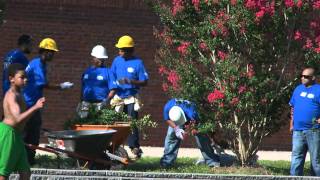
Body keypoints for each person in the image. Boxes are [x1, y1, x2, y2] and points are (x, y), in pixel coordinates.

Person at [23, 38, 73, 165]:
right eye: (51, 52)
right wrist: (61, 86)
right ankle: (27, 161)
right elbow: (43, 84)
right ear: (44, 52)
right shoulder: (38, 64)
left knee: (29, 134)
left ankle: (27, 160)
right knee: (31, 134)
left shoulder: (39, 63)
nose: (53, 54)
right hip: (30, 105)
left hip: (31, 104)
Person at [0, 63, 45, 180]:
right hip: (8, 134)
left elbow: (22, 120)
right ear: (11, 79)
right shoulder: (11, 96)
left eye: (26, 77)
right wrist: (35, 107)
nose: (25, 80)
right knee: (3, 173)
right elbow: (17, 119)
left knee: (25, 173)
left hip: (17, 136)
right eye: (22, 77)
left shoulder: (20, 94)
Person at [110, 35, 149, 158]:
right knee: (114, 121)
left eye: (121, 49)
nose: (119, 51)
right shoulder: (116, 60)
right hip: (118, 97)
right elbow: (111, 76)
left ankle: (134, 147)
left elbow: (145, 81)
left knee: (131, 122)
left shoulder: (138, 63)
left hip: (131, 97)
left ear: (128, 50)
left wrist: (130, 81)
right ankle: (113, 145)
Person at [160, 98, 221, 168]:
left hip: (193, 119)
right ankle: (167, 162)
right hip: (176, 118)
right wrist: (176, 128)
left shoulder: (192, 112)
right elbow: (167, 119)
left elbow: (195, 127)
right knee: (171, 137)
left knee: (201, 139)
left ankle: (212, 162)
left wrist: (187, 132)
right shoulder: (167, 107)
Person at [289, 67, 320, 176]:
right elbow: (292, 107)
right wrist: (291, 124)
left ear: (313, 78)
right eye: (301, 76)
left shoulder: (318, 90)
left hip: (314, 130)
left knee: (316, 161)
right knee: (296, 159)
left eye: (306, 76)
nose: (302, 78)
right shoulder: (298, 89)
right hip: (298, 130)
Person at [77, 45, 117, 118]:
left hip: (100, 104)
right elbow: (83, 88)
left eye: (102, 59)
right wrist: (80, 101)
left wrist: (106, 101)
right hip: (85, 104)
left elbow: (113, 89)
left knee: (98, 126)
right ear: (93, 58)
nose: (100, 61)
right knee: (83, 125)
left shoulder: (108, 72)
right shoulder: (87, 72)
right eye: (98, 58)